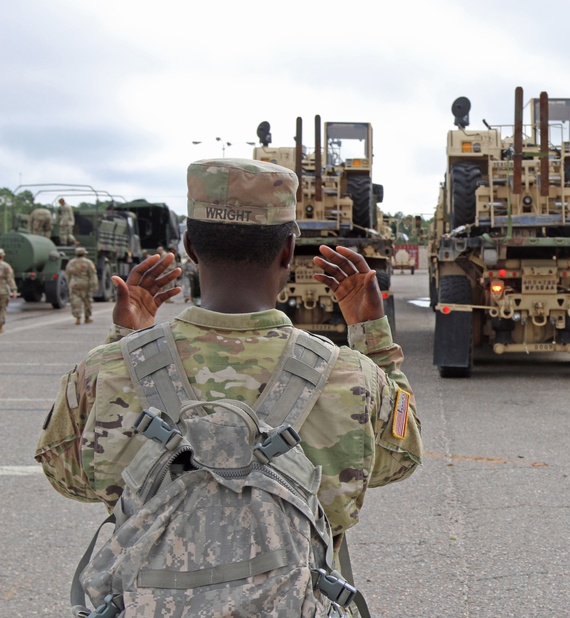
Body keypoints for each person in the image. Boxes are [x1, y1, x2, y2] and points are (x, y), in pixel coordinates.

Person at [35, 156, 421, 577]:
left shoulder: (105, 371)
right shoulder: (351, 376)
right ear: (288, 251)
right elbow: (401, 457)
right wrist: (374, 341)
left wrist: (125, 347)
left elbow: (68, 476)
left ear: (189, 247)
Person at [64, 246, 97, 325]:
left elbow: (67, 274)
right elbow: (92, 275)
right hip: (85, 284)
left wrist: (69, 283)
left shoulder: (71, 262)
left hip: (74, 284)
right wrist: (94, 285)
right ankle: (87, 317)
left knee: (75, 301)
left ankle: (78, 318)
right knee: (87, 300)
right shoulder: (88, 262)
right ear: (84, 254)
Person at [0, 248, 17, 334]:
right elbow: (10, 279)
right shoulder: (6, 266)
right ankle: (0, 326)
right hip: (3, 292)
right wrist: (14, 290)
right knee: (2, 309)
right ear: (2, 256)